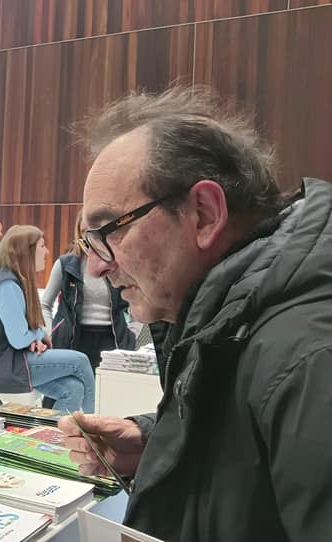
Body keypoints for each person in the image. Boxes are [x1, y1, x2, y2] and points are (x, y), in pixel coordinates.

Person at [58, 87, 332, 542]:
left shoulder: (310, 361)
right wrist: (156, 445)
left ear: (204, 214)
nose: (96, 266)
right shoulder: (235, 324)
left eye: (108, 232)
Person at [0, 225, 94, 413]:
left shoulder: (10, 281)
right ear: (26, 251)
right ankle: (93, 421)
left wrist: (36, 337)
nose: (47, 252)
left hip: (11, 360)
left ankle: (55, 430)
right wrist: (39, 334)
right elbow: (19, 338)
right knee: (81, 360)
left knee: (73, 388)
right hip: (3, 365)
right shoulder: (7, 285)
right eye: (42, 246)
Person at [41, 212, 136, 371]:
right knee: (72, 384)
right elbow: (45, 304)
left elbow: (135, 299)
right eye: (84, 231)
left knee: (108, 385)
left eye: (94, 230)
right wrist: (50, 332)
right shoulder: (65, 264)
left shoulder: (116, 264)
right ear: (78, 232)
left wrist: (133, 332)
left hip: (112, 339)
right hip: (72, 339)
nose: (89, 237)